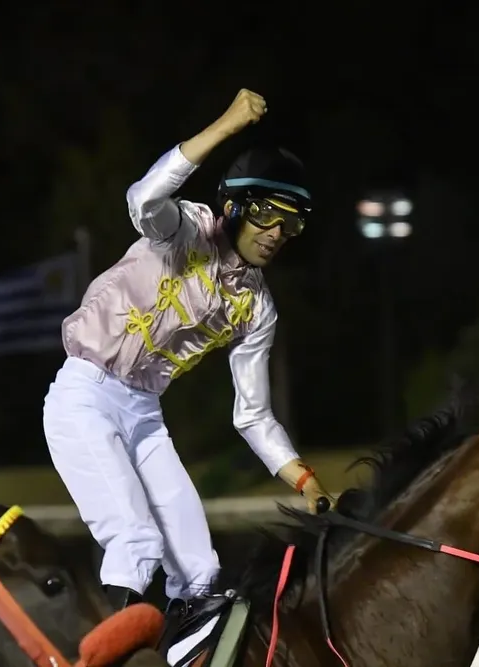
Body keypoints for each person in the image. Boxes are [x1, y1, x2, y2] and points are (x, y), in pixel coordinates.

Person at [41, 88, 335, 615]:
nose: (276, 233)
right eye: (267, 215)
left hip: (145, 416)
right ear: (234, 206)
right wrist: (225, 125)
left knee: (201, 570)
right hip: (84, 396)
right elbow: (143, 199)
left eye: (291, 223)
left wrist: (305, 481)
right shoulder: (185, 229)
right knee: (135, 545)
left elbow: (254, 416)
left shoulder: (257, 308)